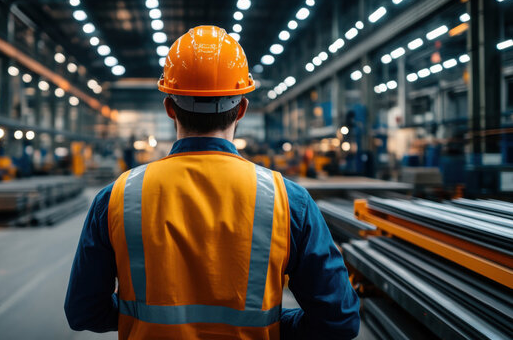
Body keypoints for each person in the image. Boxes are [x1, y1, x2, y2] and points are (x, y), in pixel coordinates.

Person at [65, 25, 359, 339]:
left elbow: (84, 311)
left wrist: (138, 319)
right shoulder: (287, 201)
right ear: (242, 109)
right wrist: (277, 323)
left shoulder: (117, 198)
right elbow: (338, 320)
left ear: (169, 108)